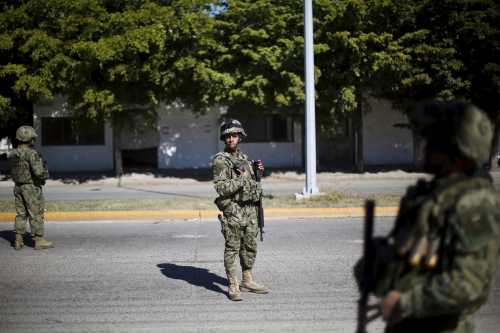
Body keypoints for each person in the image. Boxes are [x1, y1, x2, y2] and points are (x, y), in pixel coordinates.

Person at [357, 101, 500, 333]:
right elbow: (410, 264)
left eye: (436, 140)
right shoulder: (429, 197)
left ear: (458, 150)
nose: (427, 145)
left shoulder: (474, 203)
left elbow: (470, 285)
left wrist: (405, 303)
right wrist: (376, 264)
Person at [212, 119, 269, 301]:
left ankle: (247, 280)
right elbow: (221, 188)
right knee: (232, 248)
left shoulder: (244, 158)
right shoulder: (221, 161)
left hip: (250, 210)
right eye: (228, 136)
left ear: (240, 137)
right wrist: (242, 179)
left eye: (234, 135)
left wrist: (257, 172)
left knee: (250, 247)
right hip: (234, 211)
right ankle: (232, 284)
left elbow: (250, 183)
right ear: (224, 138)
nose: (231, 139)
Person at [9, 125, 53, 250]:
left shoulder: (13, 153)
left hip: (18, 187)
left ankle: (18, 240)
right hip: (31, 187)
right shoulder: (32, 153)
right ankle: (39, 240)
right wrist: (45, 173)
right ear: (30, 138)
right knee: (36, 213)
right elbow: (38, 172)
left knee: (21, 214)